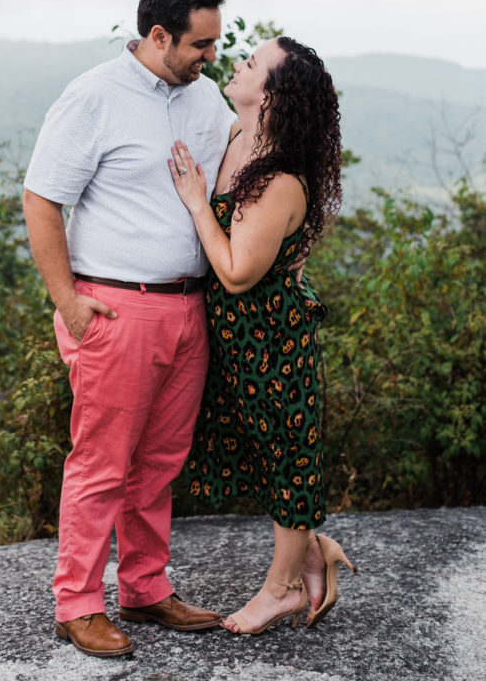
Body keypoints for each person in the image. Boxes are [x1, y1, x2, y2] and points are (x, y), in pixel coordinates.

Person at [22, 0, 237, 658]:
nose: (211, 57)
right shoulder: (93, 96)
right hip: (114, 309)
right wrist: (68, 303)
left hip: (187, 307)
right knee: (101, 463)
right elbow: (40, 198)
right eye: (200, 44)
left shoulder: (206, 100)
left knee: (160, 463)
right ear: (157, 35)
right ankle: (77, 604)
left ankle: (145, 590)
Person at [167, 35, 356, 635]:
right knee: (257, 454)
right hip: (233, 342)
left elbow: (237, 272)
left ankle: (281, 590)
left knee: (286, 460)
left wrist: (198, 202)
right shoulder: (236, 137)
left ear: (272, 98)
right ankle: (310, 551)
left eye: (252, 63)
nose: (239, 63)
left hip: (271, 343)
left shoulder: (277, 179)